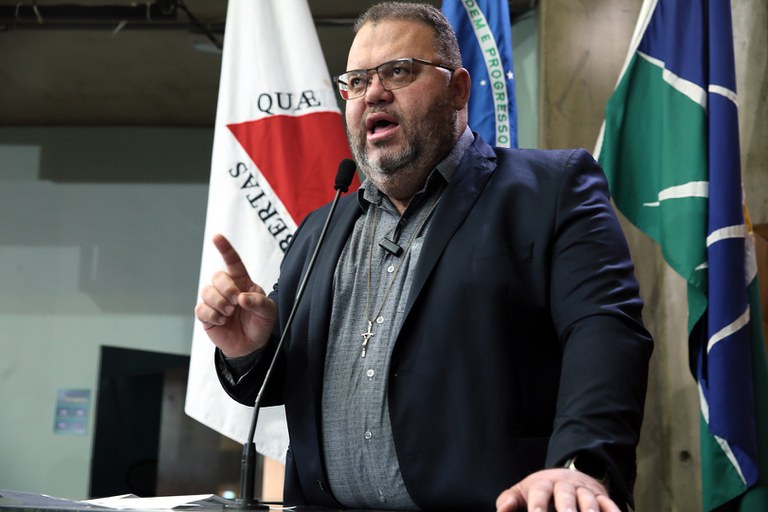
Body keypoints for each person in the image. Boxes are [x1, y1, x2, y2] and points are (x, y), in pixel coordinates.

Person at [195, 2, 653, 511]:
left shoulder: (550, 190)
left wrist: (579, 465)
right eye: (356, 81)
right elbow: (278, 382)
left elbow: (603, 332)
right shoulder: (318, 231)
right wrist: (249, 350)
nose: (373, 93)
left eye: (398, 71)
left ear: (458, 90)